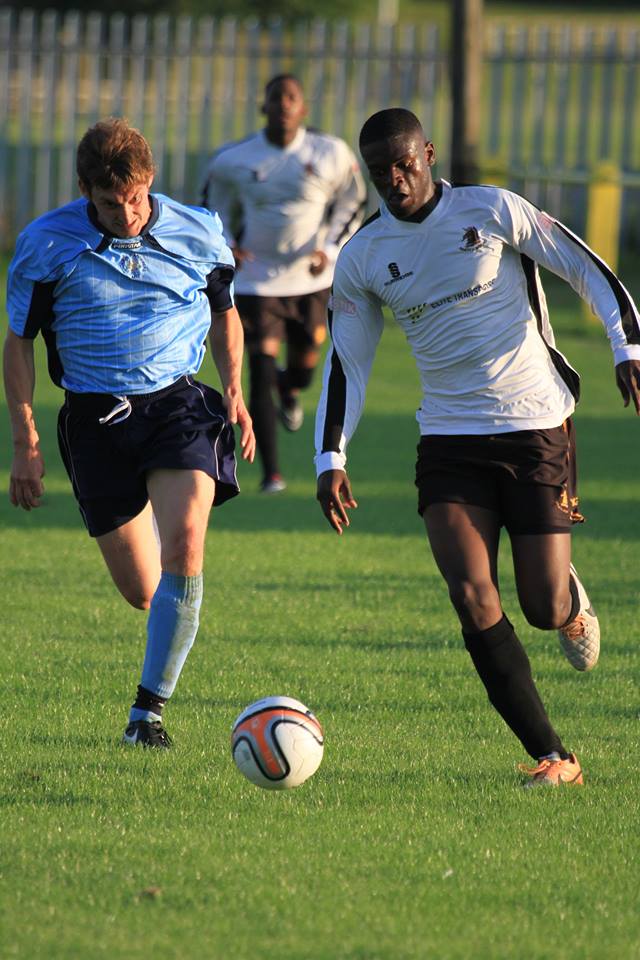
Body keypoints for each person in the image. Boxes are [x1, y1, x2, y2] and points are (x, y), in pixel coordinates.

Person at [314, 108, 640, 787]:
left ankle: (569, 601)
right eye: (380, 173)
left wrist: (625, 345)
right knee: (470, 593)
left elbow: (582, 266)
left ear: (428, 154)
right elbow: (348, 360)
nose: (395, 180)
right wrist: (331, 458)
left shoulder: (491, 210)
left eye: (405, 164)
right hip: (449, 441)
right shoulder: (364, 256)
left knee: (543, 606)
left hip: (535, 426)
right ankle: (556, 756)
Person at [4, 118, 255, 748]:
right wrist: (25, 442)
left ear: (150, 183)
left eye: (138, 198)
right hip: (94, 421)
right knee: (145, 592)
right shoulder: (44, 244)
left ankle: (147, 716)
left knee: (186, 544)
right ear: (85, 190)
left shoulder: (197, 231)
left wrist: (234, 392)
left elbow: (226, 316)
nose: (129, 214)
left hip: (176, 407)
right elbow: (18, 345)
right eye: (112, 203)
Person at [201, 74, 366, 493]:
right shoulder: (235, 158)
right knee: (256, 366)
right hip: (256, 281)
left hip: (312, 280)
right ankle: (271, 473)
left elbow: (355, 200)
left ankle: (289, 391)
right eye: (275, 98)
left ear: (303, 108)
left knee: (306, 366)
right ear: (264, 107)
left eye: (291, 97)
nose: (283, 105)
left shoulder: (329, 153)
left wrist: (329, 248)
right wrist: (229, 244)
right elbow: (210, 206)